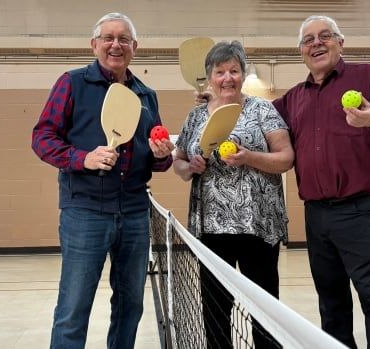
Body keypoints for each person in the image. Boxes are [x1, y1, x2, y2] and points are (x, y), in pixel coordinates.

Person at [31, 12, 174, 349]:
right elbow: (42, 138)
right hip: (84, 213)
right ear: (94, 44)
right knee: (74, 308)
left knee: (130, 306)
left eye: (124, 39)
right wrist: (83, 158)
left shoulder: (146, 95)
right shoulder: (72, 82)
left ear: (134, 47)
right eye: (108, 38)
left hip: (136, 214)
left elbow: (158, 159)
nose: (115, 44)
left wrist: (161, 153)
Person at [271, 15, 370, 348]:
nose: (317, 43)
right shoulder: (293, 99)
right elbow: (258, 116)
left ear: (340, 43)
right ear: (301, 51)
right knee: (331, 302)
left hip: (363, 210)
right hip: (317, 215)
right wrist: (221, 100)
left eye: (325, 36)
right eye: (308, 40)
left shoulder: (367, 77)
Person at [173, 40, 294, 349]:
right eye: (220, 72)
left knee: (265, 309)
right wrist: (191, 168)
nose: (228, 78)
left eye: (234, 71)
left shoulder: (262, 111)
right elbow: (179, 161)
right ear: (210, 76)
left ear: (243, 73)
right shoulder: (196, 117)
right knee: (215, 310)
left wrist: (248, 157)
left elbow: (286, 158)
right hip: (210, 229)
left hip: (259, 227)